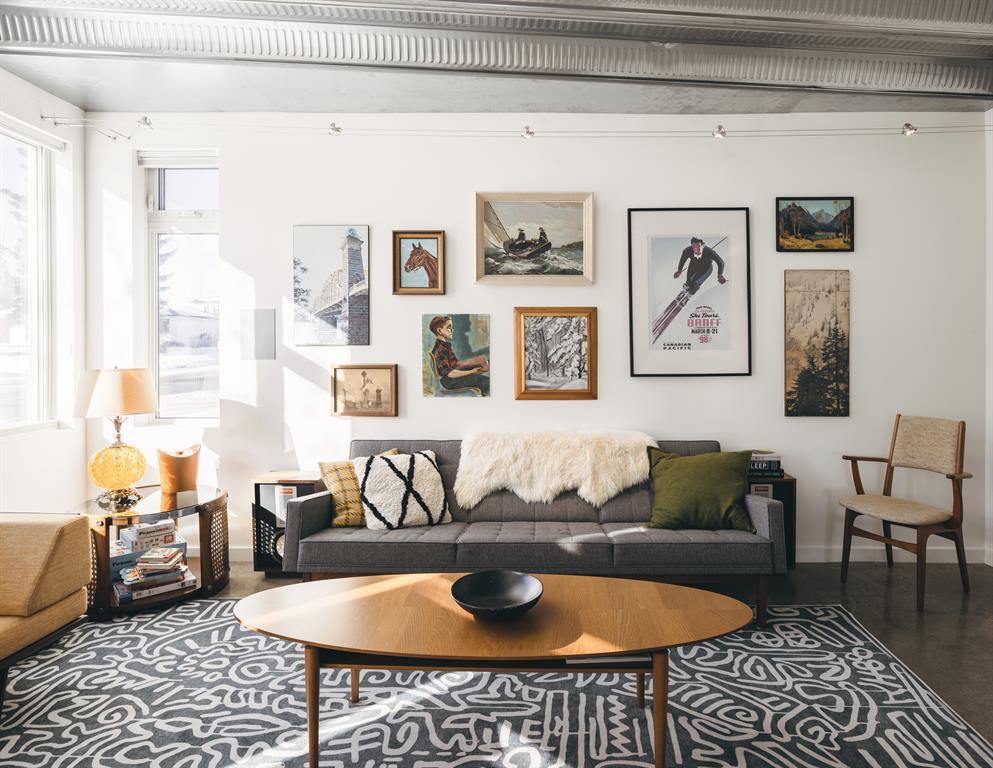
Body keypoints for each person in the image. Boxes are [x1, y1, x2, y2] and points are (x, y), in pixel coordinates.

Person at [428, 316, 490, 395]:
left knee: (481, 365)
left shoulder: (445, 346)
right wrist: (472, 371)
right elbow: (450, 373)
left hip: (452, 378)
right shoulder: (440, 350)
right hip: (450, 381)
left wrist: (474, 363)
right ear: (439, 331)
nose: (452, 330)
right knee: (483, 380)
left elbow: (454, 365)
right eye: (449, 327)